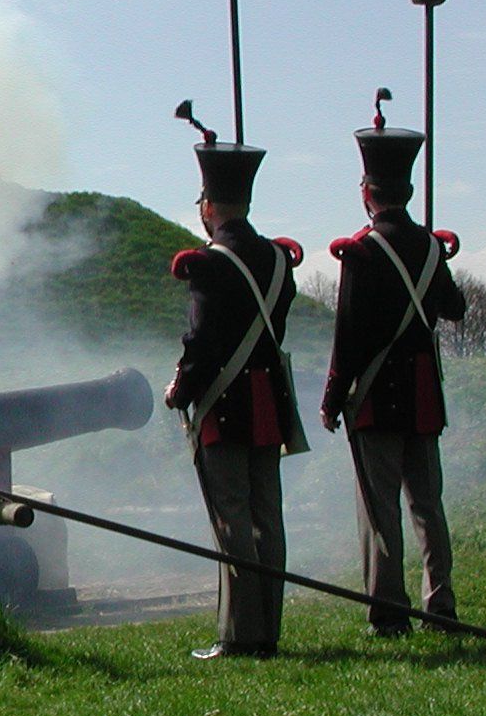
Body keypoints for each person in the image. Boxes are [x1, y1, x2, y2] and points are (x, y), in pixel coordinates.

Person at [162, 103, 307, 660]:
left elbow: (200, 343)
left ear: (209, 206)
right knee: (268, 517)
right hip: (268, 402)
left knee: (232, 520)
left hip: (224, 406)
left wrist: (180, 391)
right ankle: (268, 629)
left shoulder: (208, 265)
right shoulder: (278, 261)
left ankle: (239, 634)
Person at [320, 91, 468, 635]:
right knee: (428, 506)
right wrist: (433, 263)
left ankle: (388, 611)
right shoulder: (429, 248)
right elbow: (455, 307)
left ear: (367, 192)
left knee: (380, 509)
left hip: (377, 398)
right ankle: (440, 604)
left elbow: (349, 337)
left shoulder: (362, 253)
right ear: (406, 191)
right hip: (424, 396)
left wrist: (332, 398)